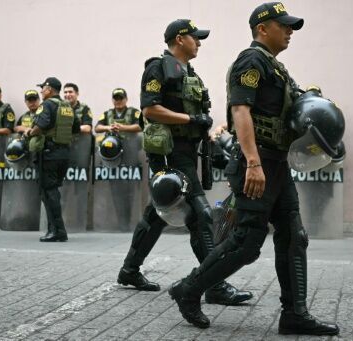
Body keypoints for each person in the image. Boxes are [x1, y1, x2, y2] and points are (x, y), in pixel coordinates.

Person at [168, 3, 340, 335]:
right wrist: (253, 162)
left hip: (278, 163)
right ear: (263, 28)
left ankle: (295, 314)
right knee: (246, 242)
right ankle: (188, 290)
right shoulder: (251, 61)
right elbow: (241, 111)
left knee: (294, 237)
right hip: (257, 162)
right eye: (284, 25)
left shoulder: (276, 67)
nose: (290, 31)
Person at [116, 19, 253, 308]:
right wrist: (191, 120)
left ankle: (129, 270)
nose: (199, 42)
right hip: (169, 152)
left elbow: (198, 116)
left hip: (189, 150)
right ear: (180, 39)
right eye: (195, 37)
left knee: (158, 212)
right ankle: (213, 284)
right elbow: (150, 109)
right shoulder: (157, 68)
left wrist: (209, 145)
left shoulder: (189, 72)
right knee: (200, 215)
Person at [23, 77, 80, 242]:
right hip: (63, 154)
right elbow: (76, 128)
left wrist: (29, 132)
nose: (41, 91)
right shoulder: (67, 106)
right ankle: (55, 230)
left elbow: (41, 125)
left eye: (43, 88)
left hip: (48, 154)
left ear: (49, 89)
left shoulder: (47, 105)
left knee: (49, 193)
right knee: (53, 191)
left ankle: (57, 231)